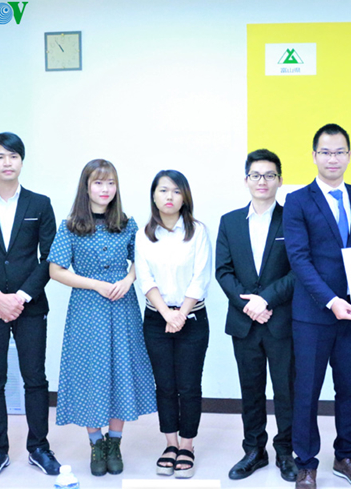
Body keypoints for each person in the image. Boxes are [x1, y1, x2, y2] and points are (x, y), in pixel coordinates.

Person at [0, 132, 61, 483]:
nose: (7, 162)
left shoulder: (40, 204)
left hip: (29, 306)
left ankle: (39, 447)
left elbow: (49, 258)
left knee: (35, 378)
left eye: (14, 156)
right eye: (0, 156)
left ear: (21, 161)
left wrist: (20, 297)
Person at [48, 159, 156, 477]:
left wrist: (128, 279)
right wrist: (95, 283)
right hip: (86, 308)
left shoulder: (127, 223)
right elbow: (55, 270)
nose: (105, 189)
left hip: (122, 306)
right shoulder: (70, 226)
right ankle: (96, 443)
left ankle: (115, 442)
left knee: (121, 369)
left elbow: (143, 261)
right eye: (98, 182)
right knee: (90, 373)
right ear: (86, 187)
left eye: (111, 183)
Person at [283, 123, 351, 489]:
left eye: (339, 152)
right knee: (307, 391)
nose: (332, 158)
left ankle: (345, 456)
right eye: (325, 152)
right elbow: (299, 259)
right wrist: (331, 300)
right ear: (314, 156)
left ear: (349, 155)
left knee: (349, 389)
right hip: (312, 314)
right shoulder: (297, 200)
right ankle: (306, 462)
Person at [215, 149, 297, 482]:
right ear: (246, 179)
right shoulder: (230, 221)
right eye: (256, 175)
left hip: (281, 320)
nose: (263, 181)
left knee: (286, 391)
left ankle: (286, 451)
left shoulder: (292, 218)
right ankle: (254, 450)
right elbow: (223, 271)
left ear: (280, 180)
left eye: (270, 175)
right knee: (250, 390)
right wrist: (249, 305)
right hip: (244, 322)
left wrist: (266, 300)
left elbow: (299, 269)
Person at [134, 169, 212, 479]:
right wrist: (168, 314)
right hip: (157, 319)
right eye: (163, 190)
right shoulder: (144, 234)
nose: (170, 196)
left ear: (185, 197)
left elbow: (201, 276)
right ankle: (170, 444)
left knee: (189, 385)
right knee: (165, 385)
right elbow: (145, 278)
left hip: (192, 317)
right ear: (154, 196)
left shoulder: (198, 231)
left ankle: (188, 445)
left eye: (177, 191)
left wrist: (180, 314)